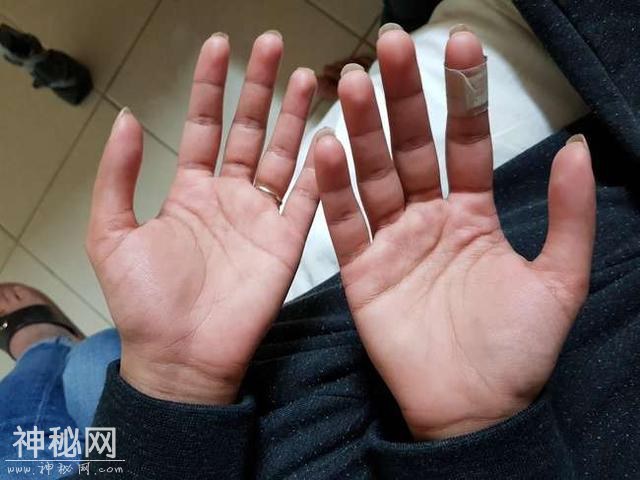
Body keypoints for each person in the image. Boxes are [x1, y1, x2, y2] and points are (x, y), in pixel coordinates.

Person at [1, 1, 639, 479]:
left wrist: (170, 385)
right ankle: (48, 350)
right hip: (351, 368)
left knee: (62, 395)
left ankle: (43, 348)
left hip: (214, 406)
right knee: (76, 382)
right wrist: (477, 441)